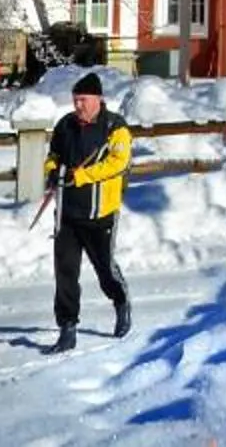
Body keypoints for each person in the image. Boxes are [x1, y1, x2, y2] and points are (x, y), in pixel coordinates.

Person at [42, 71, 133, 353]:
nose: (78, 105)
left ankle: (121, 302)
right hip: (67, 214)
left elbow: (118, 163)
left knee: (105, 270)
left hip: (100, 213)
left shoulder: (115, 128)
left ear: (98, 99)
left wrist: (80, 177)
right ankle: (67, 327)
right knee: (65, 272)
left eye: (83, 99)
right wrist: (51, 172)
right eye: (75, 100)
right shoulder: (65, 125)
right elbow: (53, 155)